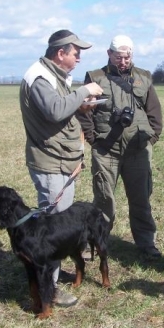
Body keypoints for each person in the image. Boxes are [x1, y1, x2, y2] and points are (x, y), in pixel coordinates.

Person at [19, 29, 103, 307]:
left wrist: (81, 106)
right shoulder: (41, 78)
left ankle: (50, 280)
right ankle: (49, 290)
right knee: (53, 231)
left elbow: (59, 112)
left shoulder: (54, 76)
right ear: (60, 53)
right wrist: (84, 91)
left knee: (57, 225)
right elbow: (54, 110)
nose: (79, 59)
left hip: (62, 161)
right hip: (51, 162)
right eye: (76, 53)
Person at [77, 35, 163, 260]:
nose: (123, 61)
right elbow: (84, 110)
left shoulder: (144, 77)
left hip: (138, 151)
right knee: (104, 201)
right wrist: (93, 139)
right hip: (106, 151)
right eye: (118, 57)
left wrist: (151, 139)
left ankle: (147, 244)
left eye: (127, 57)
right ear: (109, 54)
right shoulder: (95, 78)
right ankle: (95, 243)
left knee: (141, 200)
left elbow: (154, 113)